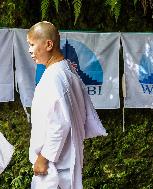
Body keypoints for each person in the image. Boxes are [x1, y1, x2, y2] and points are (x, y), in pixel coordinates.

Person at [27, 21, 107, 189]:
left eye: (32, 45)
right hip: (64, 159)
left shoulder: (56, 76)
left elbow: (60, 123)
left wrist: (44, 158)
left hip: (54, 166)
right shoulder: (66, 69)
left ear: (49, 44)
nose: (30, 50)